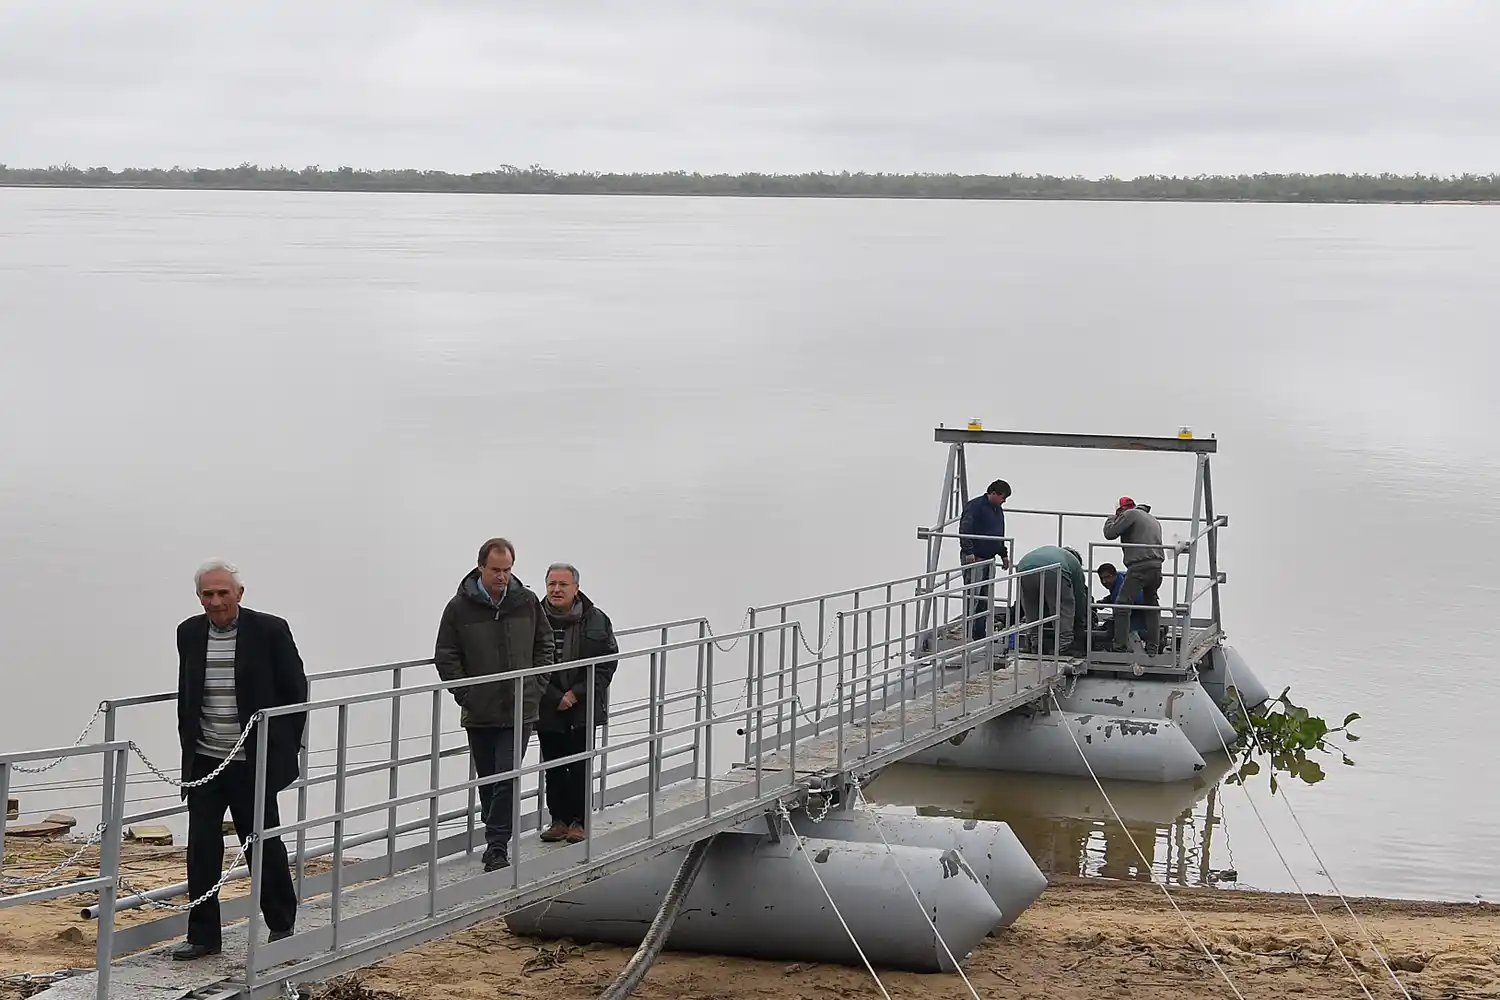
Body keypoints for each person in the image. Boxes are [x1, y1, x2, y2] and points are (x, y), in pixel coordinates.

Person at [173, 559, 307, 961]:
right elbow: (188, 692)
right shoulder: (188, 633)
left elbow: (295, 693)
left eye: (222, 593)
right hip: (205, 760)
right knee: (201, 849)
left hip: (253, 760)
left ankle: (281, 926)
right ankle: (203, 935)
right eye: (207, 595)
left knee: (262, 844)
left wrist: (278, 752)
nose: (215, 602)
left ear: (239, 594)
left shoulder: (270, 630)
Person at [435, 538, 553, 872]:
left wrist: (536, 686)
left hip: (521, 708)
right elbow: (446, 655)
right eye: (496, 570)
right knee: (489, 779)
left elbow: (545, 645)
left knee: (507, 775)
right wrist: (466, 693)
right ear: (481, 568)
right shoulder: (459, 608)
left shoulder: (526, 601)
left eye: (507, 570)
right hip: (480, 710)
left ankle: (497, 846)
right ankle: (494, 829)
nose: (502, 577)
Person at [536, 563, 619, 844]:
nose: (556, 590)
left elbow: (607, 664)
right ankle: (558, 820)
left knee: (580, 764)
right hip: (548, 704)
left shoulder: (596, 619)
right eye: (551, 585)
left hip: (581, 706)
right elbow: (527, 663)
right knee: (554, 766)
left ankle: (579, 822)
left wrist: (575, 694)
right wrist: (553, 696)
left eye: (563, 585)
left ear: (576, 588)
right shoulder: (533, 619)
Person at [1102, 497, 1165, 654]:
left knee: (1122, 605)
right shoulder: (1151, 518)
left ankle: (1120, 646)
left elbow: (1110, 533)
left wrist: (1111, 518)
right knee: (1151, 606)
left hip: (1140, 567)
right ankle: (1153, 647)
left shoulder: (1130, 515)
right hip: (1156, 566)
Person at [958, 479, 1011, 641]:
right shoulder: (975, 507)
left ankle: (979, 633)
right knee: (973, 596)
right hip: (976, 557)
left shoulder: (997, 510)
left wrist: (1003, 554)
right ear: (993, 493)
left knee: (985, 598)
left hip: (989, 558)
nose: (1004, 501)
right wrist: (969, 552)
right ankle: (968, 634)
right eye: (1003, 497)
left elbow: (998, 533)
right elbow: (965, 528)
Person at [1014, 545, 1090, 655]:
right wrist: (1080, 623)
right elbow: (1079, 597)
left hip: (1024, 566)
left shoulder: (1054, 552)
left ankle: (1035, 642)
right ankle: (1064, 645)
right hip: (1054, 569)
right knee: (1064, 605)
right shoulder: (1075, 564)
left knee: (1031, 605)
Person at [1096, 562, 1147, 642]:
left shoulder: (1121, 588)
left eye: (1107, 577)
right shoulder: (1121, 579)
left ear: (1115, 575)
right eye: (1101, 578)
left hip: (1137, 622)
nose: (1104, 581)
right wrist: (1105, 601)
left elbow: (1124, 602)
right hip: (1136, 617)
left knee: (1111, 635)